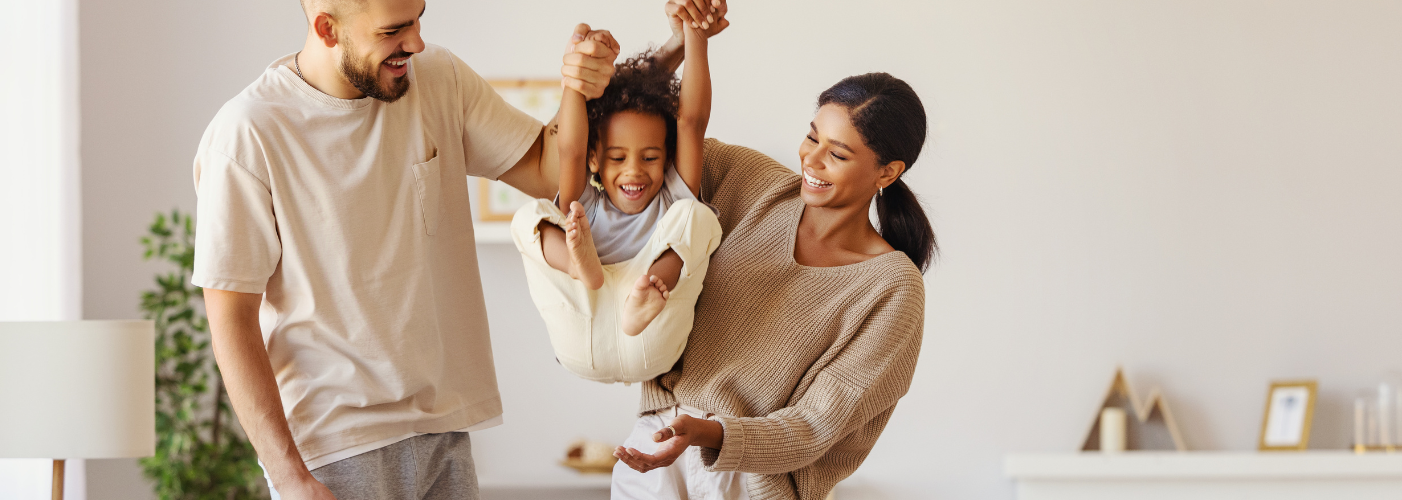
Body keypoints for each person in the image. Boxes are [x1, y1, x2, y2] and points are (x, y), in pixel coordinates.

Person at [189, 0, 621, 498]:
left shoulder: (439, 78)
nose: (415, 42)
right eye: (393, 30)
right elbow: (231, 322)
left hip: (444, 431)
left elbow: (549, 173)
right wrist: (291, 479)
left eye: (419, 18)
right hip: (334, 450)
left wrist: (578, 90)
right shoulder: (247, 134)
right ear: (327, 29)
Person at [609, 2, 935, 499]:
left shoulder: (891, 289)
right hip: (654, 445)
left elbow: (817, 425)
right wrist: (679, 43)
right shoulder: (749, 181)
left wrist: (708, 433)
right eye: (811, 137)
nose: (812, 160)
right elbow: (624, 134)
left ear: (887, 172)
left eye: (837, 154)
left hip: (750, 481)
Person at [508, 10, 721, 384]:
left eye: (650, 158)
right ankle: (577, 265)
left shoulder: (673, 198)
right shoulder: (584, 207)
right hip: (582, 325)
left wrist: (697, 35)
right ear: (594, 159)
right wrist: (574, 80)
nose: (634, 171)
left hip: (650, 329)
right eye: (618, 158)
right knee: (529, 217)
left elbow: (692, 122)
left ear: (667, 158)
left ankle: (652, 286)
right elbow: (570, 148)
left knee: (696, 215)